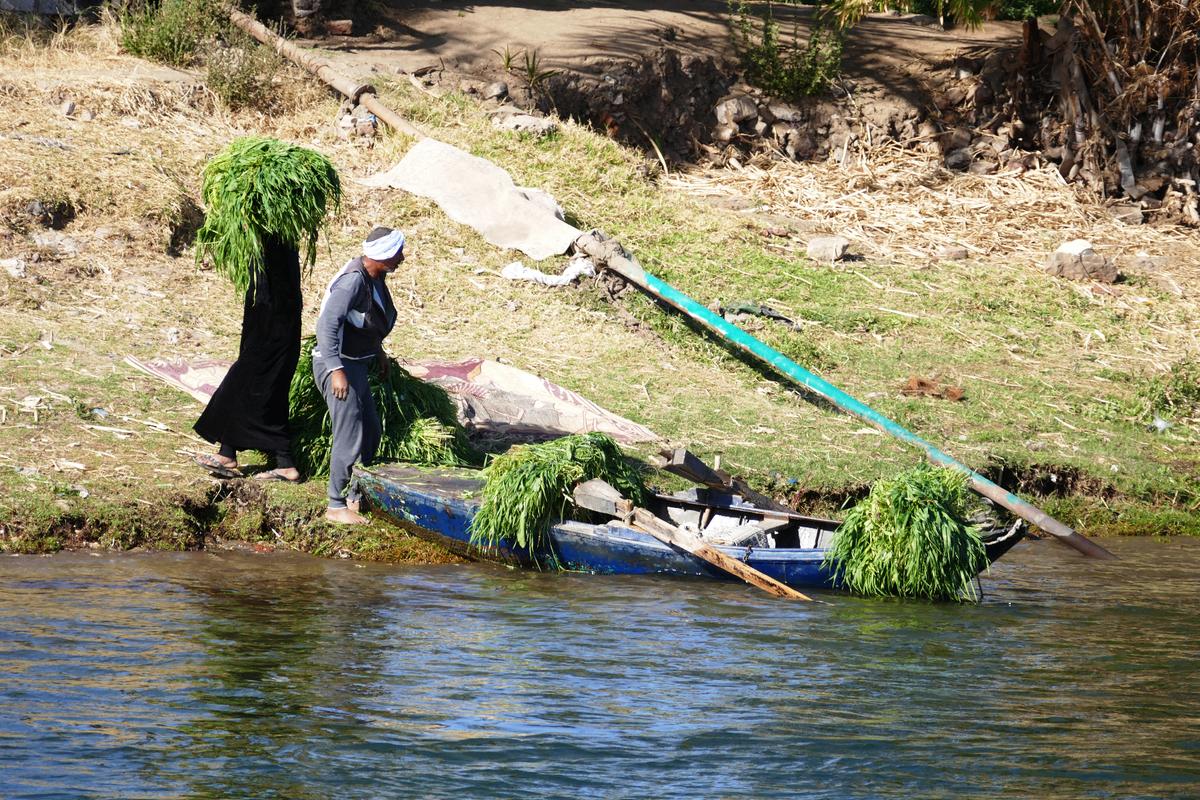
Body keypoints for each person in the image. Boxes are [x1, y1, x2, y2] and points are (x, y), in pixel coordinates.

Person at [193, 235, 302, 482]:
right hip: (261, 315)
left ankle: (277, 461)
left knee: (252, 381)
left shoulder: (279, 240)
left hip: (276, 322)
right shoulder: (264, 243)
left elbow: (280, 289)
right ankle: (234, 453)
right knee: (256, 385)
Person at [313, 226, 404, 524]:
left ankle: (355, 494)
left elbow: (368, 321)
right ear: (385, 256)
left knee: (372, 430)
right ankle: (335, 505)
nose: (402, 257)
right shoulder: (353, 281)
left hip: (357, 365)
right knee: (349, 434)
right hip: (339, 367)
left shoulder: (376, 278)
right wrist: (335, 369)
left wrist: (378, 352)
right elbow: (327, 325)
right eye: (398, 252)